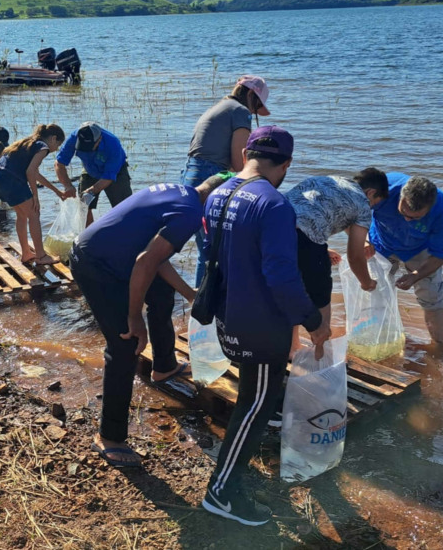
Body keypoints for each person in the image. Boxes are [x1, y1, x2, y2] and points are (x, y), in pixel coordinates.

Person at [200, 126, 329, 526]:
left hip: (228, 315)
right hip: (259, 324)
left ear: (246, 153)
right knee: (255, 407)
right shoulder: (273, 204)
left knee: (253, 402)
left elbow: (211, 256)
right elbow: (281, 275)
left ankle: (229, 482)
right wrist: (313, 321)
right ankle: (220, 493)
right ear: (286, 164)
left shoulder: (218, 193)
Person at [71, 174, 229, 467]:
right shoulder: (190, 215)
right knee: (125, 345)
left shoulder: (182, 193)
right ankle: (109, 437)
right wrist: (134, 318)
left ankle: (164, 367)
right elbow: (145, 261)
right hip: (95, 265)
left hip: (113, 257)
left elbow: (156, 258)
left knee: (162, 291)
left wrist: (190, 294)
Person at [181, 75, 271, 285]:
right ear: (250, 94)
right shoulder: (239, 112)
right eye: (256, 106)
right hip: (209, 175)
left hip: (191, 175)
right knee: (213, 251)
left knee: (207, 247)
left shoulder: (221, 107)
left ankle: (201, 303)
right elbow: (240, 164)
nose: (253, 112)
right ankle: (206, 306)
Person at [283, 169, 390, 334]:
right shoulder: (362, 203)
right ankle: (321, 351)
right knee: (321, 297)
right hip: (305, 240)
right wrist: (366, 282)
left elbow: (311, 216)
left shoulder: (329, 181)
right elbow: (355, 257)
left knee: (290, 290)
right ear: (371, 193)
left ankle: (292, 348)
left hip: (273, 228)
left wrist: (323, 250)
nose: (371, 207)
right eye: (374, 203)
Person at [366, 173, 443, 348]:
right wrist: (363, 240)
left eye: (415, 217)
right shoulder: (383, 188)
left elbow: (440, 254)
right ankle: (382, 338)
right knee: (376, 291)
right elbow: (355, 212)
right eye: (403, 212)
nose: (407, 219)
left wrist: (415, 275)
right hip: (381, 243)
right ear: (400, 196)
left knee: (431, 296)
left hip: (419, 250)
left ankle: (438, 346)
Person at [0, 124, 67, 265]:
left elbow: (35, 173)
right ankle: (41, 256)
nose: (56, 149)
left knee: (22, 215)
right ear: (53, 138)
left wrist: (57, 191)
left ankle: (26, 253)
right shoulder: (43, 147)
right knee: (34, 214)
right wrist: (35, 197)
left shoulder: (28, 143)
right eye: (58, 144)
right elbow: (30, 172)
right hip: (12, 180)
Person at [55, 122, 132, 225]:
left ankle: (125, 236)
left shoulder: (113, 144)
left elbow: (108, 177)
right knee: (83, 205)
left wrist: (92, 190)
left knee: (124, 208)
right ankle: (89, 237)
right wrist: (68, 186)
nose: (87, 151)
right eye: (83, 147)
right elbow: (59, 164)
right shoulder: (74, 138)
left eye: (89, 147)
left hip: (116, 172)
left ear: (99, 139)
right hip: (90, 169)